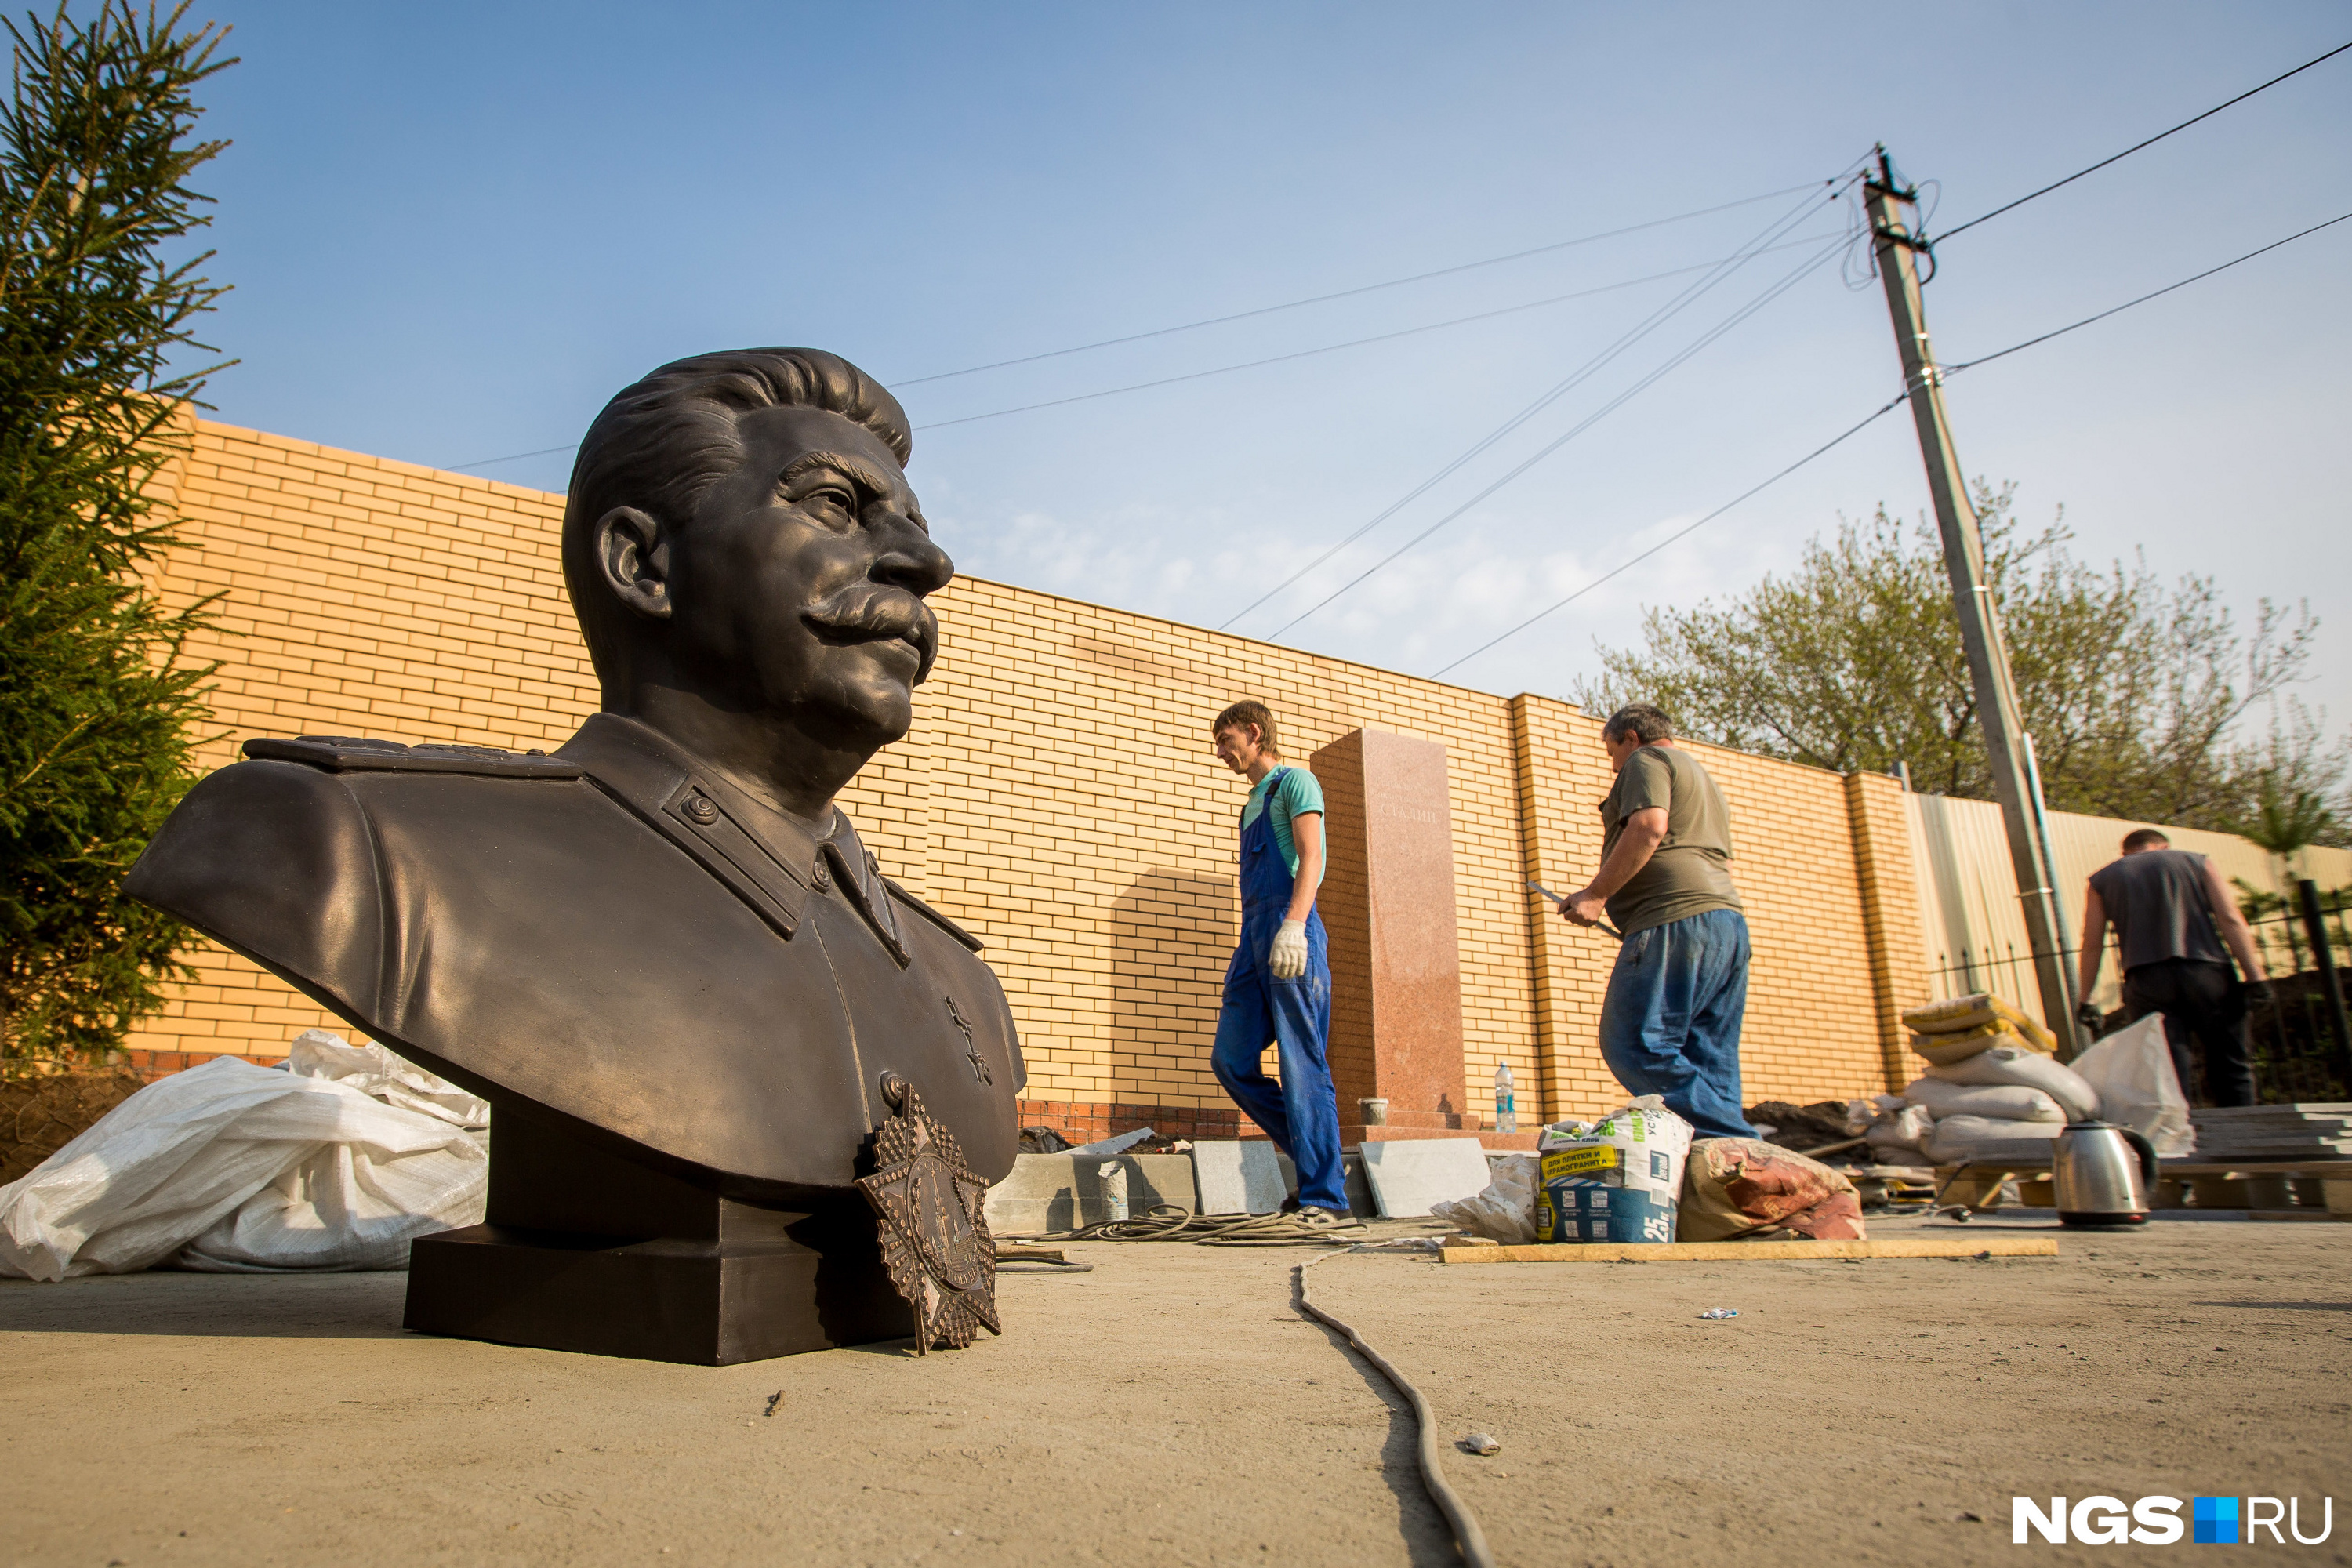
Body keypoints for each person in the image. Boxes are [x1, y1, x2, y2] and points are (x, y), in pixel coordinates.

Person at [1555, 704, 1755, 1138]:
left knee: (1634, 1043)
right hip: (1725, 925)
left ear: (1630, 737)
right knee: (1708, 1056)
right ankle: (1731, 1177)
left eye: (1612, 752)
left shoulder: (1648, 760)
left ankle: (1737, 1142)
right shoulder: (1700, 775)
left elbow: (1648, 826)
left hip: (1673, 921)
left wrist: (1595, 895)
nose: (1613, 764)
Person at [1207, 700, 1352, 1222]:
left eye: (1226, 741)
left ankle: (1325, 1196)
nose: (1220, 752)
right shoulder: (1250, 806)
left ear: (1253, 732)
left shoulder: (1297, 783)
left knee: (1299, 1060)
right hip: (1253, 938)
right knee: (1230, 1059)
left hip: (1291, 928)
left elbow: (1312, 857)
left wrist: (1295, 923)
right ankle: (1324, 1163)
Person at [2076, 827, 2271, 1107]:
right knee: (2231, 1063)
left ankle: (2181, 1142)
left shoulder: (2103, 879)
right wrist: (2256, 977)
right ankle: (2243, 1136)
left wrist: (2087, 999)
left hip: (2145, 979)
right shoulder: (2196, 862)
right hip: (2207, 972)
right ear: (2164, 846)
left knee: (2167, 1073)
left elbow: (2092, 943)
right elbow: (2230, 919)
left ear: (2125, 853)